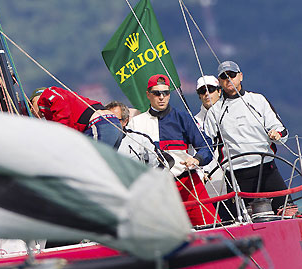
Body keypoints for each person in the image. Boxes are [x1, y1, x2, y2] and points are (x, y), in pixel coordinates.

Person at [119, 74, 219, 226]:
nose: (161, 97)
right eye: (157, 93)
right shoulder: (136, 123)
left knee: (212, 225)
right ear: (148, 95)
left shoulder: (183, 118)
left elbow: (206, 146)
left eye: (165, 93)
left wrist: (197, 159)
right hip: (154, 188)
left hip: (187, 183)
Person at [204, 60, 294, 218]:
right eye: (224, 77)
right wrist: (204, 169)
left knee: (289, 213)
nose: (228, 79)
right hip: (236, 175)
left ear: (240, 76)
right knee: (245, 220)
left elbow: (281, 129)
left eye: (232, 75)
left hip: (266, 169)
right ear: (219, 82)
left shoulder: (258, 100)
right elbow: (206, 146)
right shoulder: (214, 112)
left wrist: (277, 135)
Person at [30, 87, 123, 148]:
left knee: (91, 165)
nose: (31, 110)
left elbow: (60, 101)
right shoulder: (68, 104)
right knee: (107, 168)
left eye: (31, 105)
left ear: (35, 99)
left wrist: (59, 132)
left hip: (100, 124)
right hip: (113, 123)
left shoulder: (47, 94)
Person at [194, 75, 225, 198]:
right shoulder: (193, 122)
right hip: (209, 181)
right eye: (202, 91)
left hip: (235, 176)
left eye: (211, 89)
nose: (207, 94)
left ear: (219, 91)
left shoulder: (232, 113)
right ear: (199, 95)